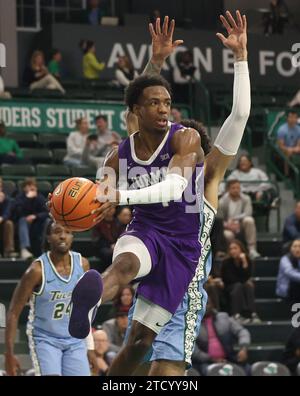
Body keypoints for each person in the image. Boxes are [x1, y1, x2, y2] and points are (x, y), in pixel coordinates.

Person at [68, 11, 251, 376]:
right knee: (125, 266)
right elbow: (135, 108)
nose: (167, 113)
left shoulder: (208, 171)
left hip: (186, 266)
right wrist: (155, 61)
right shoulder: (136, 142)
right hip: (148, 233)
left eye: (169, 107)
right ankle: (88, 303)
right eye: (159, 105)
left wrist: (242, 57)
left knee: (139, 346)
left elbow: (239, 114)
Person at [4, 222, 98, 376]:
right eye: (57, 232)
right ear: (48, 237)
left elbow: (84, 310)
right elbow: (13, 313)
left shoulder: (82, 264)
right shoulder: (36, 270)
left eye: (67, 232)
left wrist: (90, 348)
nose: (62, 236)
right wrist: (9, 354)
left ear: (72, 237)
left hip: (74, 340)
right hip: (45, 339)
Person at [191, 297, 251, 376]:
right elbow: (192, 348)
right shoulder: (191, 324)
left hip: (228, 359)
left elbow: (242, 332)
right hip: (206, 362)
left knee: (248, 369)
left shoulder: (224, 317)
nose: (204, 306)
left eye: (207, 303)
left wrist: (244, 348)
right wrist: (212, 359)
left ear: (212, 305)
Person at [218, 179, 260, 260]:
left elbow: (248, 213)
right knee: (228, 235)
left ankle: (252, 250)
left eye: (238, 188)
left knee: (249, 220)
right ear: (228, 189)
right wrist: (228, 225)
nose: (236, 190)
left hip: (241, 223)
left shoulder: (246, 198)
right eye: (233, 188)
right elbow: (219, 219)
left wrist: (235, 220)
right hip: (228, 225)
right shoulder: (222, 201)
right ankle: (231, 253)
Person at [221, 240, 260, 323]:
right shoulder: (226, 262)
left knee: (248, 286)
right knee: (239, 285)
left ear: (241, 249)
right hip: (229, 287)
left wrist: (245, 263)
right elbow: (230, 279)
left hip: (241, 285)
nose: (233, 251)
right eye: (231, 249)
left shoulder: (247, 260)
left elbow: (248, 276)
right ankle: (236, 315)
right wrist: (245, 281)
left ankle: (253, 314)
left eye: (235, 248)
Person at [15, 178, 49, 259]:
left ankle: (45, 248)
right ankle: (24, 249)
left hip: (37, 222)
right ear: (24, 188)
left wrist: (35, 216)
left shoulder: (39, 197)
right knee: (22, 220)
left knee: (48, 221)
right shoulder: (20, 197)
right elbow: (18, 211)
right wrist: (27, 198)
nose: (32, 188)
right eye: (29, 185)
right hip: (23, 223)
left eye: (33, 186)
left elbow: (46, 212)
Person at [276, 239, 300, 307]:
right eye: (295, 246)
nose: (297, 249)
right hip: (288, 289)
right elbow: (290, 273)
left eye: (299, 246)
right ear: (290, 248)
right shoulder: (285, 259)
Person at [277, 110, 300, 174]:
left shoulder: (299, 129)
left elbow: (298, 144)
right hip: (284, 149)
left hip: (294, 149)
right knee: (288, 153)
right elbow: (281, 146)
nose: (293, 119)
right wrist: (289, 149)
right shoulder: (282, 129)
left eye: (295, 117)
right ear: (287, 118)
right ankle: (287, 175)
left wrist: (295, 149)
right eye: (291, 117)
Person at [0, 177, 17, 258]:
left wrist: (1, 218)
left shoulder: (7, 200)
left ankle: (8, 251)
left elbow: (7, 213)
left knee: (9, 223)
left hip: (2, 222)